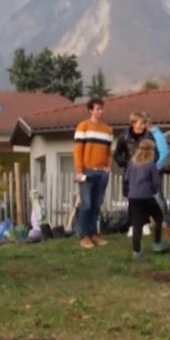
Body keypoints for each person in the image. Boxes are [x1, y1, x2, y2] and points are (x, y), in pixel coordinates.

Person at [73, 98, 113, 248]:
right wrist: (78, 170)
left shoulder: (107, 129)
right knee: (87, 204)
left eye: (101, 109)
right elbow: (78, 151)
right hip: (86, 171)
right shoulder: (83, 127)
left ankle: (93, 233)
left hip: (102, 171)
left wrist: (108, 166)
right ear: (91, 110)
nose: (100, 112)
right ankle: (84, 235)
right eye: (97, 109)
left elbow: (109, 151)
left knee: (97, 204)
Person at [124, 139, 170, 258]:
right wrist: (153, 191)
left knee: (137, 224)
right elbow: (156, 182)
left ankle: (136, 251)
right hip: (146, 196)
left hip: (133, 197)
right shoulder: (150, 165)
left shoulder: (132, 163)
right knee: (159, 217)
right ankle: (157, 242)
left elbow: (127, 178)